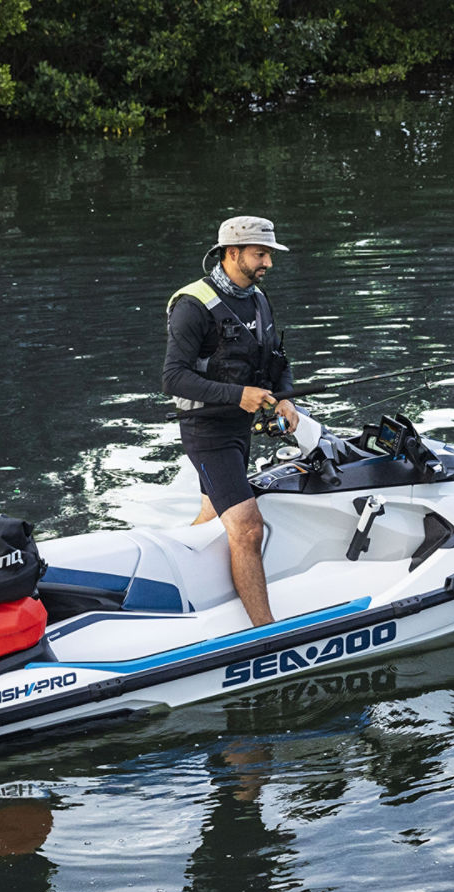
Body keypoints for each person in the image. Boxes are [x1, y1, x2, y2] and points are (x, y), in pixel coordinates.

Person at [162, 215, 300, 628]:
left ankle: (168, 574)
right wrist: (240, 395)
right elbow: (173, 377)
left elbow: (277, 358)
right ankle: (266, 632)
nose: (268, 264)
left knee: (211, 516)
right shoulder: (192, 306)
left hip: (240, 431)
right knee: (247, 528)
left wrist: (286, 399)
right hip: (207, 432)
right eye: (261, 254)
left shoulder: (257, 298)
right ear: (232, 253)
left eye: (270, 255)